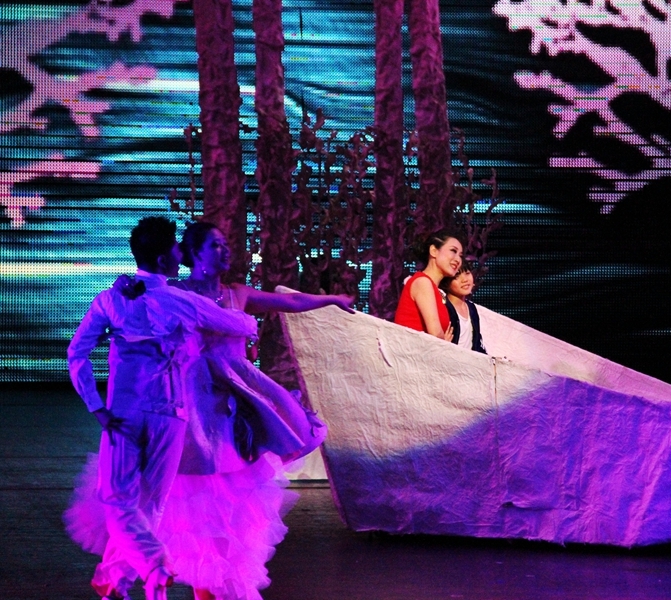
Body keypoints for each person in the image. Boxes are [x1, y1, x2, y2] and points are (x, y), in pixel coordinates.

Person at [66, 217, 259, 600]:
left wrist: (95, 406)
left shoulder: (113, 299)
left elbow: (77, 353)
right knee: (151, 504)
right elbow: (243, 326)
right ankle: (138, 578)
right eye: (175, 250)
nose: (180, 255)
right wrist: (232, 311)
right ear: (162, 259)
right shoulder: (181, 301)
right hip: (170, 414)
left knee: (119, 500)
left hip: (123, 413)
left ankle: (147, 569)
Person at [164, 220, 355, 600]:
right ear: (195, 253)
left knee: (235, 486)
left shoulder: (236, 293)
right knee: (197, 487)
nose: (225, 250)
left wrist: (331, 298)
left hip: (236, 397)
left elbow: (290, 302)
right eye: (215, 245)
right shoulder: (178, 292)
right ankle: (198, 574)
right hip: (196, 397)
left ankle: (225, 573)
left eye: (225, 244)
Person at [394, 229, 464, 340]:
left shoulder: (434, 289)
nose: (458, 260)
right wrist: (444, 343)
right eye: (453, 251)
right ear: (434, 251)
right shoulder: (423, 282)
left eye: (460, 255)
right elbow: (435, 334)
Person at [439, 260, 487, 354]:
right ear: (446, 282)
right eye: (457, 276)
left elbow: (477, 343)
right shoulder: (444, 308)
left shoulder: (471, 307)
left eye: (467, 273)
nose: (465, 280)